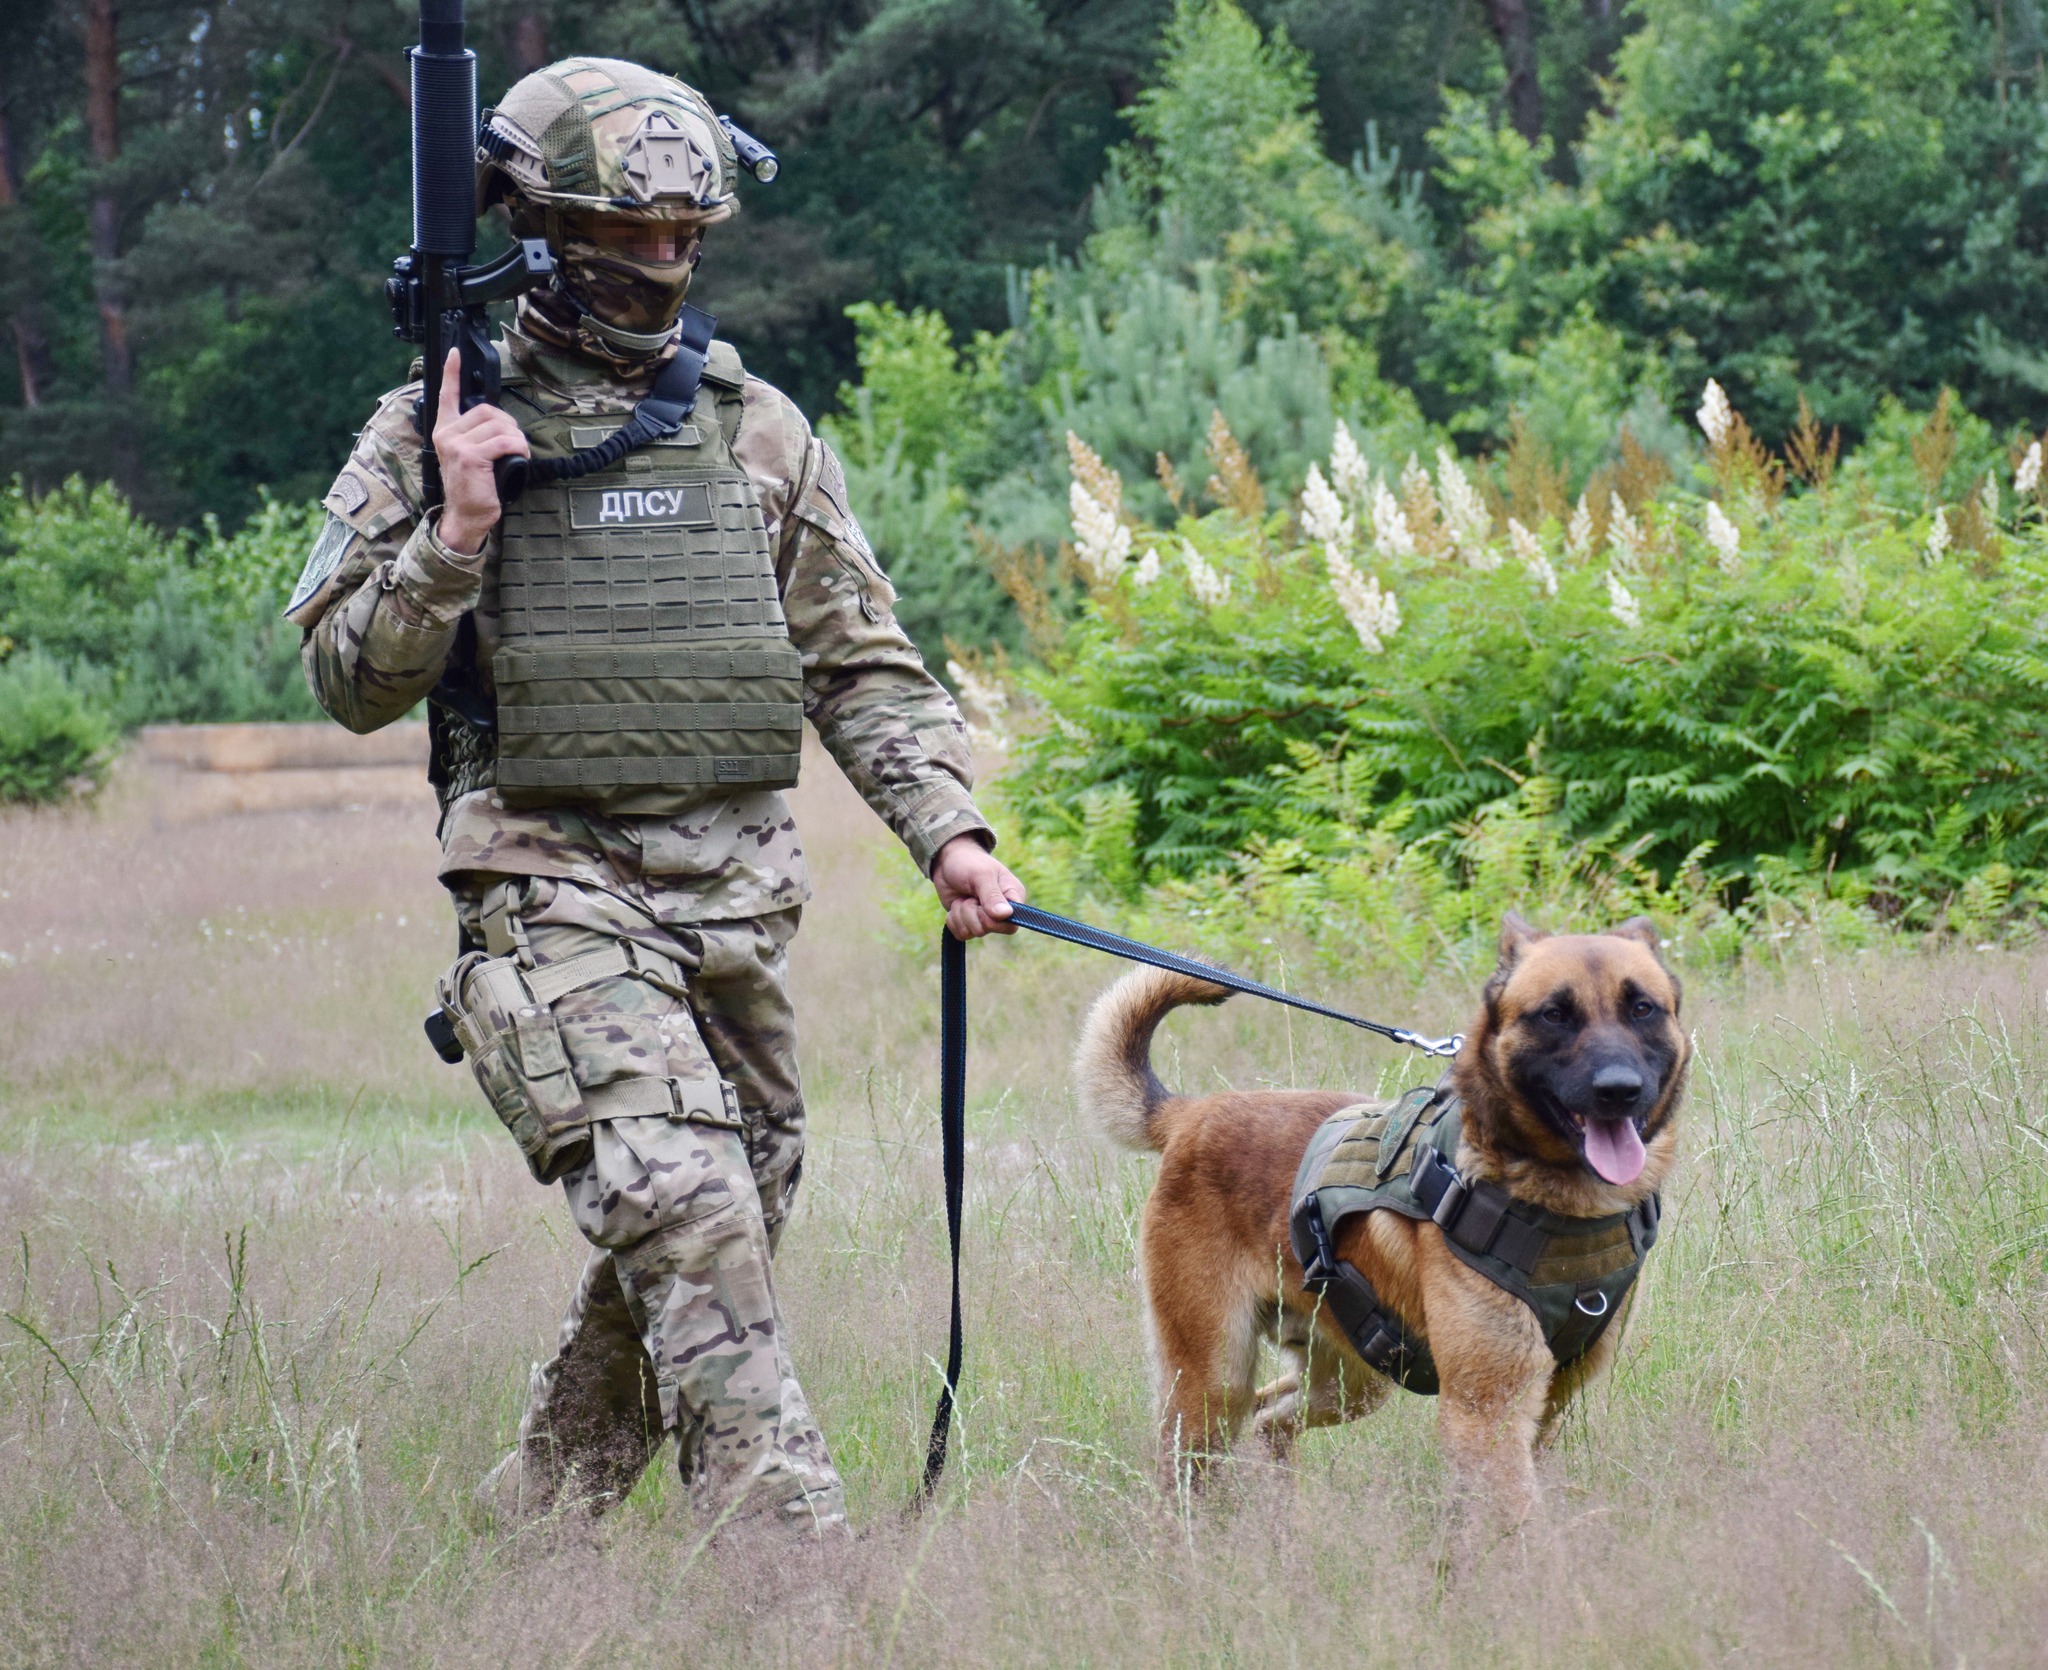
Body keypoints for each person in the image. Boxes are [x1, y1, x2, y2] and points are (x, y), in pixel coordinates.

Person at [285, 56, 1023, 1534]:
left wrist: (951, 830)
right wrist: (455, 531)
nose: (665, 265)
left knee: (712, 1226)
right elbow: (348, 677)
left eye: (688, 238)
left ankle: (538, 1529)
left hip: (736, 919)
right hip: (552, 898)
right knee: (685, 1214)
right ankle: (798, 1572)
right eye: (635, 237)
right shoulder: (441, 423)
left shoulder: (753, 428)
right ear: (548, 232)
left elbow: (863, 663)